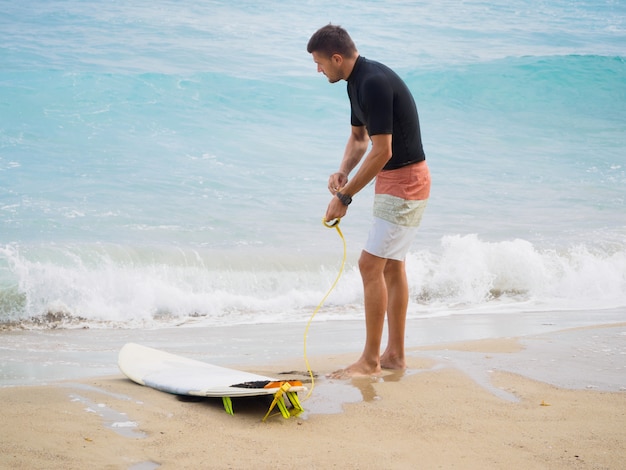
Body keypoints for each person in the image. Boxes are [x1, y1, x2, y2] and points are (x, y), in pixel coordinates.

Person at [307, 24, 431, 378]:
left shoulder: (373, 82)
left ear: (336, 58)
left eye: (319, 64)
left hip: (406, 181)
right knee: (391, 266)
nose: (318, 70)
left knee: (370, 265)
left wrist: (344, 198)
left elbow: (383, 150)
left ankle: (371, 361)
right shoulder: (355, 83)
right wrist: (343, 171)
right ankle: (394, 356)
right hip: (395, 180)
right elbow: (360, 140)